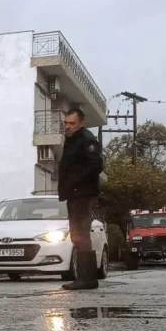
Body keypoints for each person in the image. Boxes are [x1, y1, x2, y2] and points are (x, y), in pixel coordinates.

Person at [57, 107, 105, 290]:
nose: (67, 127)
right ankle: (86, 278)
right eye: (66, 123)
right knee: (78, 235)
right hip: (75, 193)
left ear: (81, 123)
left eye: (72, 124)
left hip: (82, 194)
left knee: (81, 235)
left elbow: (96, 165)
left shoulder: (86, 140)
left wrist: (75, 182)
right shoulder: (73, 140)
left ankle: (87, 279)